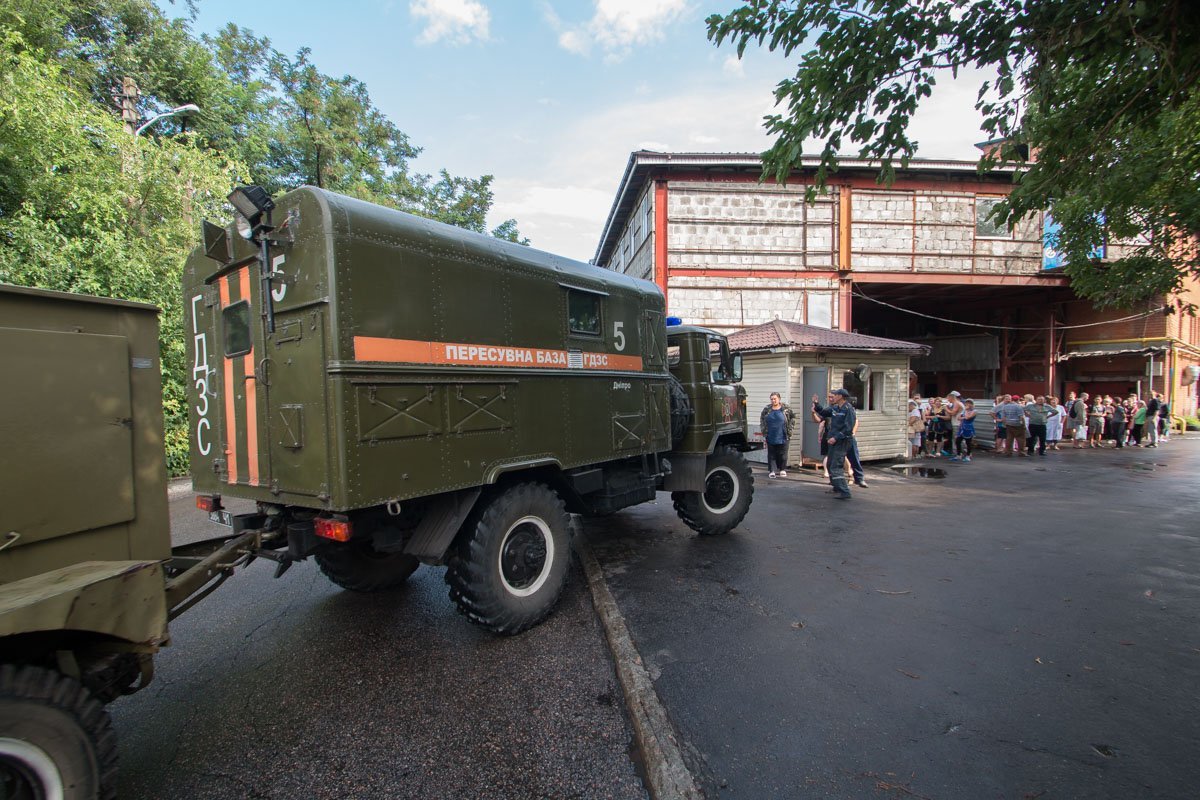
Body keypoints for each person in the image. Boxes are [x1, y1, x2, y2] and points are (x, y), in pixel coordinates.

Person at [812, 389, 857, 499]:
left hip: (842, 441)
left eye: (835, 395)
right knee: (830, 464)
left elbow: (848, 428)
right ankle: (836, 487)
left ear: (841, 396)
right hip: (832, 440)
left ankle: (845, 491)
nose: (832, 397)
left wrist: (836, 438)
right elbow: (823, 412)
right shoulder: (835, 408)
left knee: (836, 466)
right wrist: (816, 404)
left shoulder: (848, 409)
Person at [760, 392, 795, 478]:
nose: (773, 400)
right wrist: (763, 430)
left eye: (775, 399)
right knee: (771, 454)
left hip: (783, 435)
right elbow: (762, 419)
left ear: (779, 399)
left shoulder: (786, 409)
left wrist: (790, 429)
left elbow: (792, 418)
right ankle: (772, 470)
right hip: (771, 434)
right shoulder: (767, 409)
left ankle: (782, 469)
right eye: (771, 399)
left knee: (783, 454)